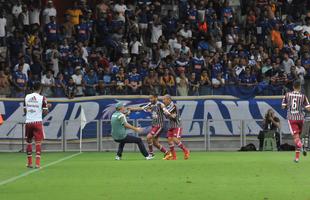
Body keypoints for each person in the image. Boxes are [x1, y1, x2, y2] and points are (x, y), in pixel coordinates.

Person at [282, 80, 310, 162]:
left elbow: (283, 106)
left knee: (296, 138)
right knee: (298, 138)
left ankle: (302, 147)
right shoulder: (303, 96)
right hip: (301, 118)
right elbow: (308, 108)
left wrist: (289, 105)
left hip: (291, 118)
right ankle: (297, 159)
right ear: (300, 87)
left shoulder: (287, 95)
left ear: (293, 87)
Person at [24, 82, 49, 168]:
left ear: (32, 88)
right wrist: (47, 107)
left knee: (29, 142)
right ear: (40, 88)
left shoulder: (27, 97)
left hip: (28, 122)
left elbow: (24, 111)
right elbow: (45, 111)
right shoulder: (42, 98)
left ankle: (29, 163)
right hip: (37, 122)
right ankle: (37, 164)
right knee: (38, 143)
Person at [162, 95, 190, 160]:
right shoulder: (167, 107)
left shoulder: (174, 106)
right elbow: (167, 116)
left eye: (164, 99)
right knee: (169, 140)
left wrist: (164, 110)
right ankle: (174, 156)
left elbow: (172, 116)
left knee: (174, 139)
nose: (163, 101)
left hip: (177, 125)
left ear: (169, 100)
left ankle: (186, 151)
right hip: (171, 125)